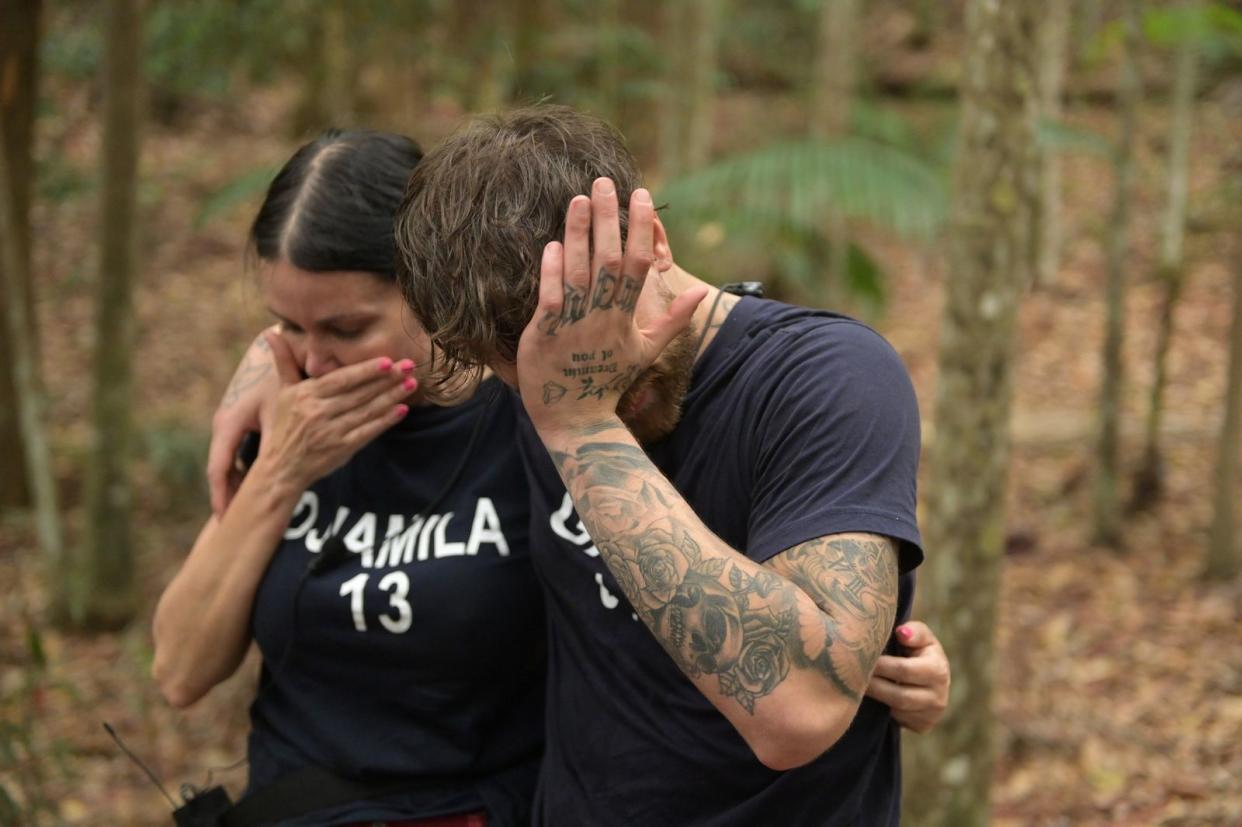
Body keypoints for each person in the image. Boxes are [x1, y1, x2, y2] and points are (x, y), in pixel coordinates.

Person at [392, 105, 927, 825]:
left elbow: (801, 707)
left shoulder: (827, 376)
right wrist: (276, 369)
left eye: (607, 313)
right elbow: (342, 276)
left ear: (655, 245)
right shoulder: (525, 394)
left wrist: (582, 425)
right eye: (548, 362)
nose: (601, 369)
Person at [152, 130, 545, 826]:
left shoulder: (530, 418)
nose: (316, 361)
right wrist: (278, 471)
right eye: (288, 327)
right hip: (293, 803)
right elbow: (182, 669)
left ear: (437, 280)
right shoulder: (289, 412)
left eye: (347, 328)